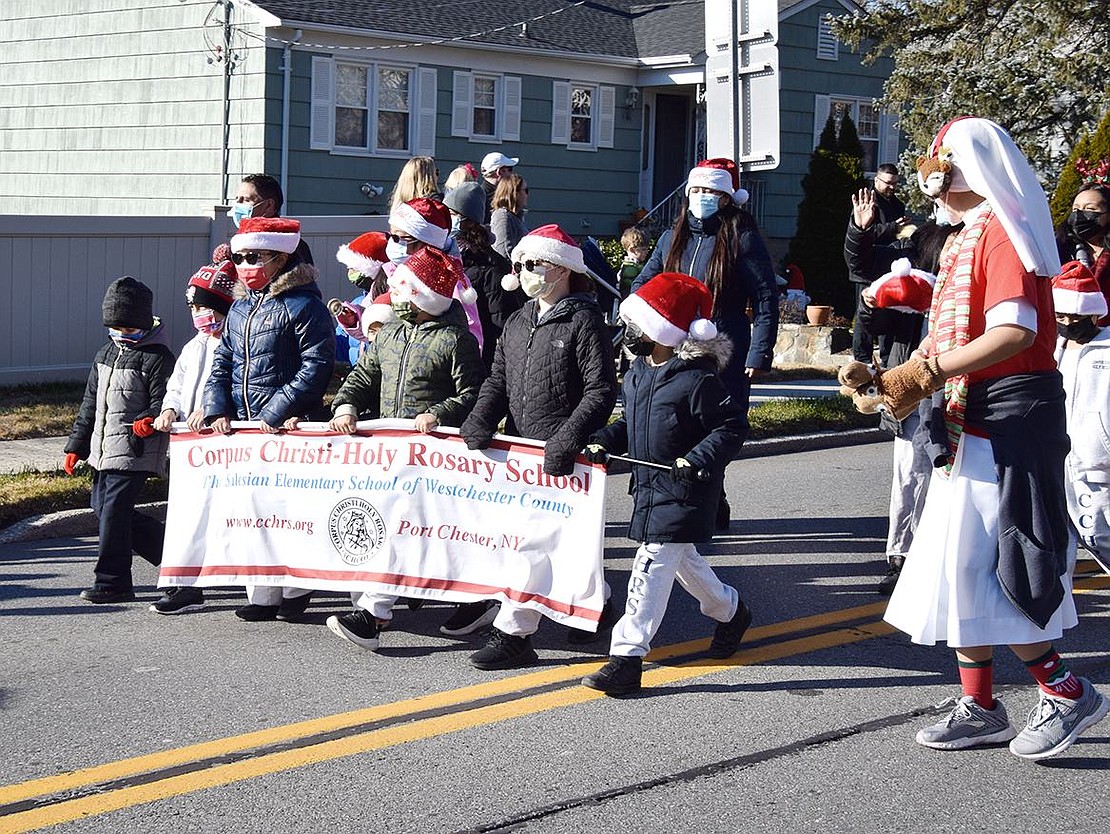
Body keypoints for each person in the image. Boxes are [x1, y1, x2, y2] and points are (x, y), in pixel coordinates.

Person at [881, 116, 1107, 760]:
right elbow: (947, 336)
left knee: (996, 562)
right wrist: (883, 373)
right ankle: (979, 703)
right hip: (971, 417)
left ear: (965, 172)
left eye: (940, 164)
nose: (930, 177)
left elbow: (1013, 333)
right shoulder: (962, 240)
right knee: (954, 561)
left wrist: (925, 372)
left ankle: (1065, 690)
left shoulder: (1001, 236)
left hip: (1007, 419)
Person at [579, 272, 752, 695]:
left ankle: (626, 656)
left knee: (652, 564)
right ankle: (731, 612)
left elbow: (730, 428)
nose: (628, 334)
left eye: (635, 328)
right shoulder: (640, 372)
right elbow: (632, 421)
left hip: (685, 489)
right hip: (650, 487)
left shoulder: (698, 379)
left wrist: (697, 460)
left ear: (661, 331)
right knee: (683, 562)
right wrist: (605, 439)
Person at [460, 225, 618, 669]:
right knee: (541, 543)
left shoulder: (585, 320)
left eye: (535, 264)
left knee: (537, 544)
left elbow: (600, 390)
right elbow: (498, 380)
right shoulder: (517, 320)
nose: (525, 272)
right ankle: (598, 601)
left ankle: (514, 634)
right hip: (522, 453)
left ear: (563, 269)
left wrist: (568, 437)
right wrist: (480, 418)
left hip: (565, 456)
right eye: (521, 265)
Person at [323, 246, 485, 652]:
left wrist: (438, 412)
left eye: (405, 291)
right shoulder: (390, 334)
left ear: (426, 296)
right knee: (404, 529)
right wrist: (345, 404)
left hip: (433, 455)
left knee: (420, 531)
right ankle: (386, 610)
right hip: (390, 454)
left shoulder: (455, 339)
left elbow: (473, 393)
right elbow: (364, 375)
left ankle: (376, 614)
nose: (395, 298)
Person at [202, 216, 336, 623]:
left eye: (253, 256)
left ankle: (296, 588)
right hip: (245, 428)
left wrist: (277, 411)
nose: (244, 264)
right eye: (240, 257)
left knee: (290, 513)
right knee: (252, 511)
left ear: (280, 258)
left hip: (288, 427)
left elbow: (316, 365)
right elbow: (223, 360)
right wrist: (216, 408)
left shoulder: (305, 305)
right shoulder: (240, 308)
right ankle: (262, 592)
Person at [635, 158, 779, 530]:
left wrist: (759, 351)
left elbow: (765, 296)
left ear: (727, 198)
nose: (701, 198)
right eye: (696, 190)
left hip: (722, 350)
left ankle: (713, 497)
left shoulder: (741, 238)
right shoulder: (672, 237)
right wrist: (642, 316)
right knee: (675, 425)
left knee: (713, 427)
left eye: (710, 192)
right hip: (673, 347)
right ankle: (670, 499)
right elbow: (646, 282)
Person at [854, 220, 962, 595]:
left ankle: (946, 557)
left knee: (952, 480)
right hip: (911, 394)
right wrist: (870, 303)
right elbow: (875, 314)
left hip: (957, 394)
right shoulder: (910, 285)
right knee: (910, 478)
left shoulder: (965, 292)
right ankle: (901, 558)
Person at [65, 277, 174, 604]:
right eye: (116, 330)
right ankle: (174, 556)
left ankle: (113, 582)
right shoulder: (105, 354)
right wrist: (76, 446)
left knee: (113, 512)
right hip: (103, 449)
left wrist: (149, 421)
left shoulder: (158, 357)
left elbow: (164, 401)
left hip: (136, 449)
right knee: (103, 509)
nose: (123, 337)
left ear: (144, 324)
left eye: (130, 331)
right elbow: (90, 405)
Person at [148, 254, 238, 614]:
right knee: (185, 516)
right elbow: (177, 385)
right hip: (190, 449)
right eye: (195, 309)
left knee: (223, 516)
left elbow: (234, 385)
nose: (202, 317)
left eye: (208, 309)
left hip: (221, 446)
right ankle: (183, 584)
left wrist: (215, 409)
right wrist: (170, 409)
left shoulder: (232, 344)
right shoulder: (191, 347)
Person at [1051, 260, 1110, 576]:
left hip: (1099, 462)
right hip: (1059, 459)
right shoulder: (1052, 348)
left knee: (1102, 538)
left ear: (1093, 313)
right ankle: (1060, 614)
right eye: (1061, 316)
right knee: (1061, 543)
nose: (1069, 323)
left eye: (1076, 317)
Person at [387, 197, 484, 352]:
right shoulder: (396, 271)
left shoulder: (450, 279)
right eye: (390, 236)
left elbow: (471, 334)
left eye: (398, 238)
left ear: (424, 242)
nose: (392, 243)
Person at [444, 181, 521, 371]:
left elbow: (502, 323)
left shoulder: (491, 266)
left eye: (452, 215)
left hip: (478, 361)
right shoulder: (443, 256)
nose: (446, 221)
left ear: (468, 221)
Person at [845, 163, 908, 364]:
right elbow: (864, 234)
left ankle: (887, 358)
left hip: (890, 266)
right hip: (867, 268)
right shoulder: (867, 204)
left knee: (890, 311)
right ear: (877, 180)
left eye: (895, 183)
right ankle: (862, 359)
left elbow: (896, 234)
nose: (891, 187)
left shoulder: (897, 204)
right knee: (865, 316)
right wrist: (892, 228)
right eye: (888, 183)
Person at [1054, 181, 1110, 324]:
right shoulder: (1060, 249)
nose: (1079, 215)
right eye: (1075, 209)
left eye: (1090, 209)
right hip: (1069, 336)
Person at [332, 231, 389, 366]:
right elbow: (342, 347)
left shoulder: (390, 305)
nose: (349, 270)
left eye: (354, 267)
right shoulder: (357, 303)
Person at [229, 173, 314, 265]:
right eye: (237, 199)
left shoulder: (291, 246)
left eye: (246, 200)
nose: (238, 205)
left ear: (269, 205)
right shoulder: (240, 240)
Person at [489, 174, 529, 263]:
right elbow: (503, 251)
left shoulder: (517, 218)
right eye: (525, 190)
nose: (527, 195)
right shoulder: (502, 216)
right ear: (515, 193)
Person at [480, 151, 518, 222]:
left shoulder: (478, 194)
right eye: (509, 169)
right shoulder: (486, 197)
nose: (511, 174)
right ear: (499, 172)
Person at [618, 226, 650, 297]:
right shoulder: (629, 268)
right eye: (643, 249)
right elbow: (633, 286)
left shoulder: (636, 265)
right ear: (632, 250)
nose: (647, 252)